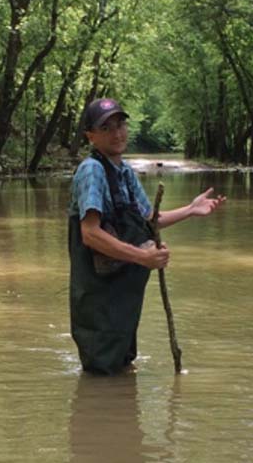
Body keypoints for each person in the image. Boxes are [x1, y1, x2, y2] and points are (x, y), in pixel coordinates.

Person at [68, 97, 226, 374]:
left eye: (120, 125)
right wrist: (143, 257)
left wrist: (190, 209)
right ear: (90, 136)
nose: (117, 133)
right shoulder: (92, 171)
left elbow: (150, 221)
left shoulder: (124, 171)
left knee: (121, 370)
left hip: (122, 297)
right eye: (106, 128)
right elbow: (90, 234)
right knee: (101, 372)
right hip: (100, 297)